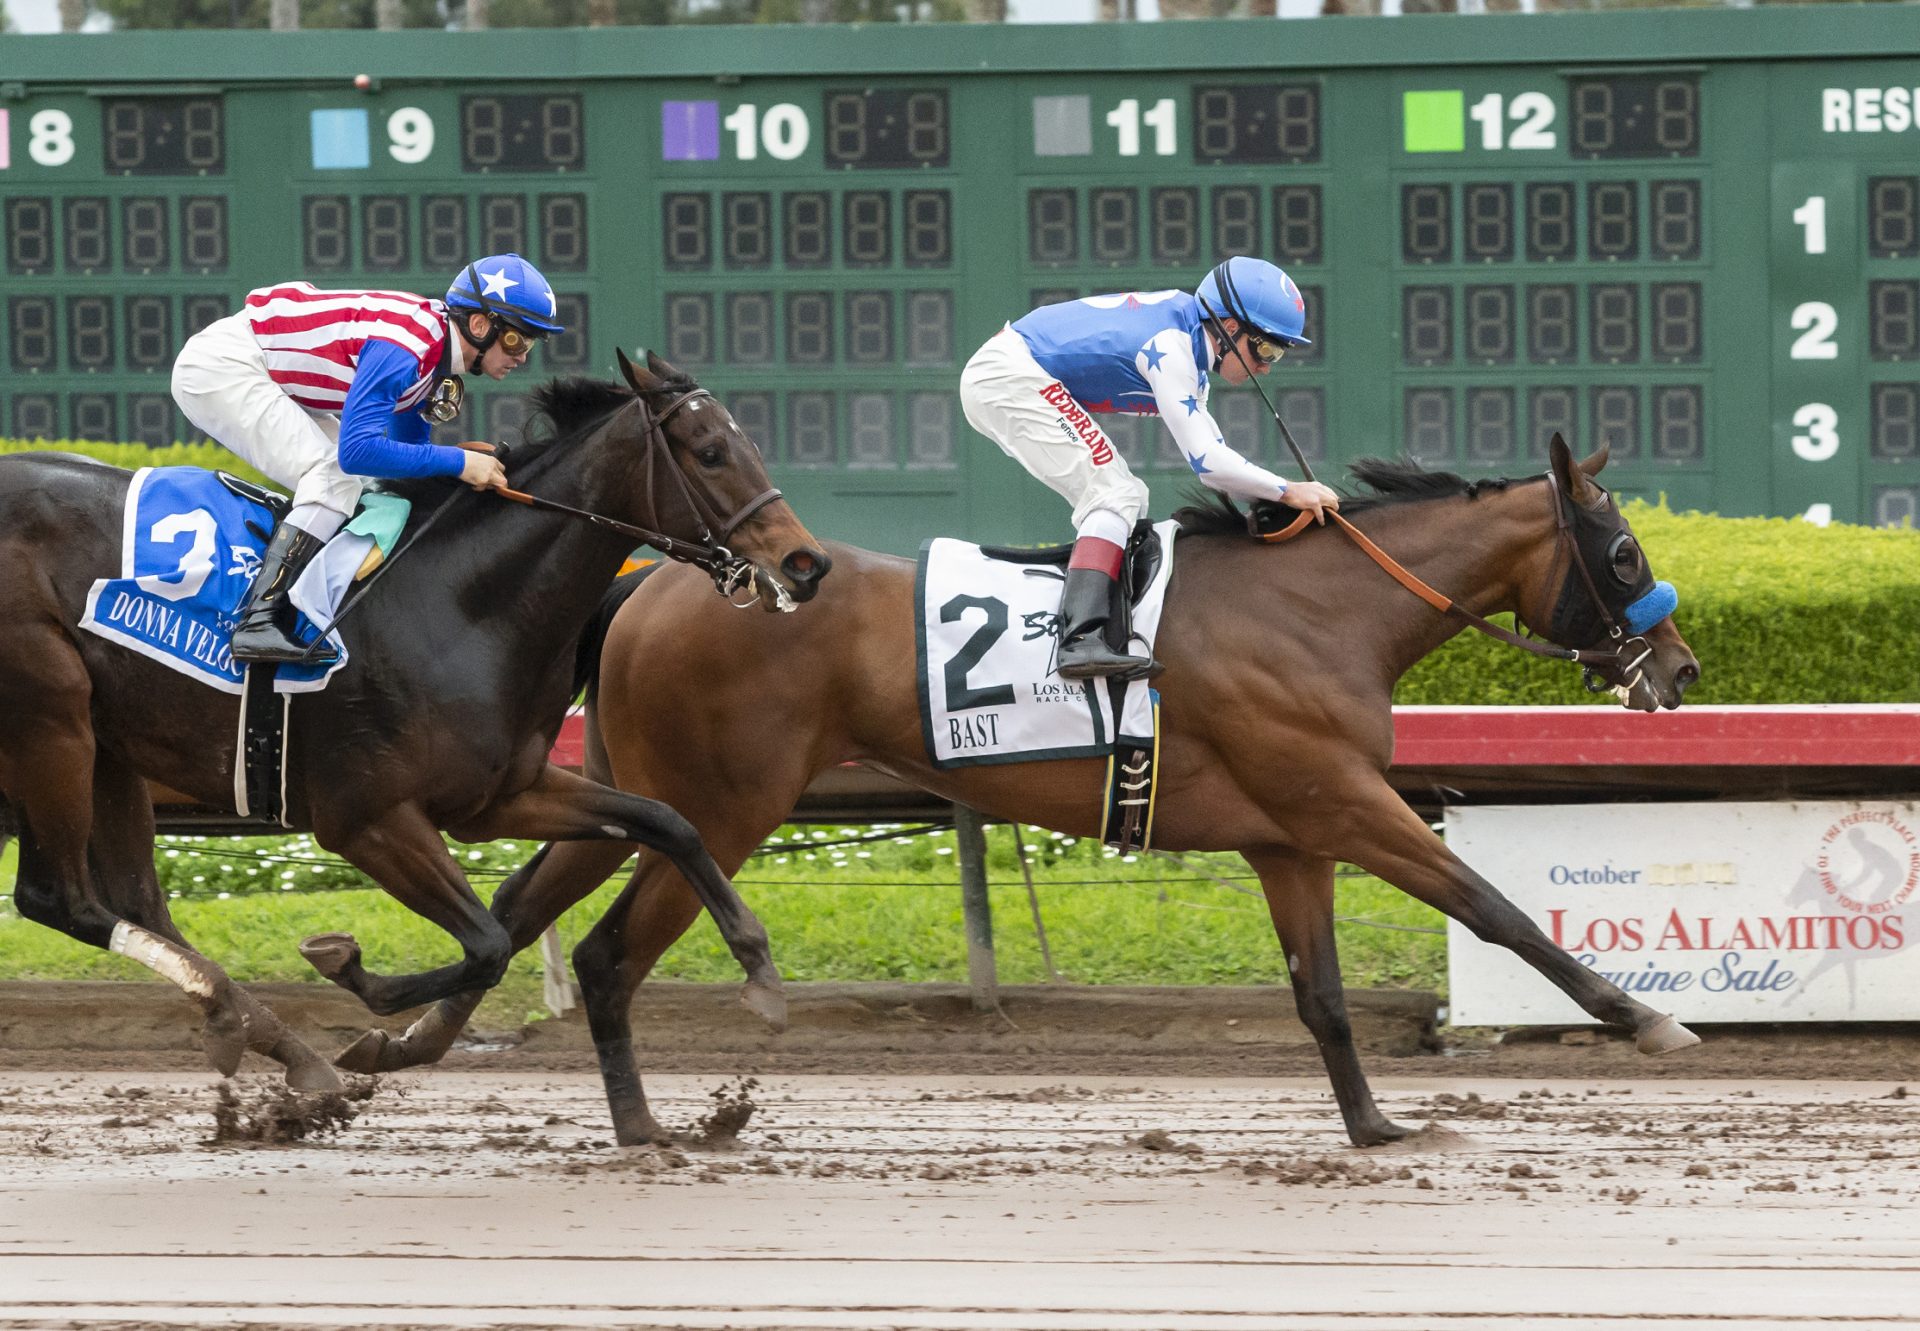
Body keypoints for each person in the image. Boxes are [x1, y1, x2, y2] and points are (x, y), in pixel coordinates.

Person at [170, 254, 564, 664]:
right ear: (480, 326)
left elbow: (404, 464)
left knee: (362, 486)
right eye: (517, 339)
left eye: (530, 343)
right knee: (332, 476)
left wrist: (456, 464)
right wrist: (458, 463)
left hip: (266, 371)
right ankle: (258, 621)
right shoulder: (406, 349)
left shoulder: (433, 359)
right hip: (223, 367)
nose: (521, 356)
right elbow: (358, 452)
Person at [960, 256, 1340, 681]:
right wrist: (1289, 491)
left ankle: (1101, 626)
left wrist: (1271, 495)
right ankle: (1079, 639)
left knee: (1128, 494)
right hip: (1007, 376)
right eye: (1266, 349)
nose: (1267, 366)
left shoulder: (1188, 347)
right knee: (1114, 493)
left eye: (1278, 354)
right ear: (1230, 329)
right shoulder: (1173, 347)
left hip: (1008, 371)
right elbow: (1211, 465)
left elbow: (1213, 452)